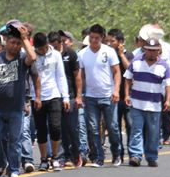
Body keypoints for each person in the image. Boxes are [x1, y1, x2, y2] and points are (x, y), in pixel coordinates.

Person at [0, 23, 36, 177]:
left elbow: (33, 57)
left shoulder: (22, 59)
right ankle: (0, 164)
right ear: (6, 42)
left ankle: (14, 170)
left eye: (18, 43)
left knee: (15, 140)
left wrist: (25, 38)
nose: (15, 46)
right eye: (12, 42)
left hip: (16, 108)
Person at [123, 39, 170, 167]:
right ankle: (135, 155)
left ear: (159, 50)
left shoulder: (163, 65)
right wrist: (127, 95)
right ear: (144, 49)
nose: (151, 53)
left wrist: (167, 100)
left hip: (154, 105)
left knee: (153, 132)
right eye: (149, 50)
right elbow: (128, 78)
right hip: (137, 103)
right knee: (136, 130)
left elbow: (169, 84)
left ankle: (151, 156)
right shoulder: (136, 62)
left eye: (154, 50)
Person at [78, 24, 121, 168]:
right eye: (91, 37)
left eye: (97, 38)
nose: (94, 40)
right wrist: (80, 94)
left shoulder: (109, 52)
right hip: (90, 96)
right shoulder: (83, 54)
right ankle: (98, 157)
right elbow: (81, 76)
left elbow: (116, 72)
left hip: (108, 95)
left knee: (113, 127)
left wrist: (116, 91)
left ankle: (116, 154)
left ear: (102, 38)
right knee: (93, 128)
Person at [32, 32, 70, 171]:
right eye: (39, 49)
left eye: (44, 48)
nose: (42, 51)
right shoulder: (32, 56)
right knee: (41, 129)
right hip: (37, 97)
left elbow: (60, 76)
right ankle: (43, 159)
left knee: (55, 127)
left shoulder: (56, 55)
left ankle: (55, 157)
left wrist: (65, 96)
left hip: (54, 94)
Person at [49, 31, 83, 167]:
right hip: (55, 97)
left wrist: (79, 96)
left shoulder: (71, 53)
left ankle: (77, 154)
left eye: (56, 46)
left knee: (72, 128)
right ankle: (63, 157)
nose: (53, 49)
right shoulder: (49, 55)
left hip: (71, 96)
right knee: (59, 128)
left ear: (61, 43)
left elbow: (77, 76)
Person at [106, 28, 133, 166]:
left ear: (121, 42)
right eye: (108, 41)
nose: (110, 44)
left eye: (113, 41)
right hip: (113, 97)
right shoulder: (106, 55)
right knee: (113, 127)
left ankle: (133, 154)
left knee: (130, 125)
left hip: (127, 97)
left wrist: (121, 55)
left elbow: (131, 70)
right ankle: (118, 154)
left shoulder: (128, 54)